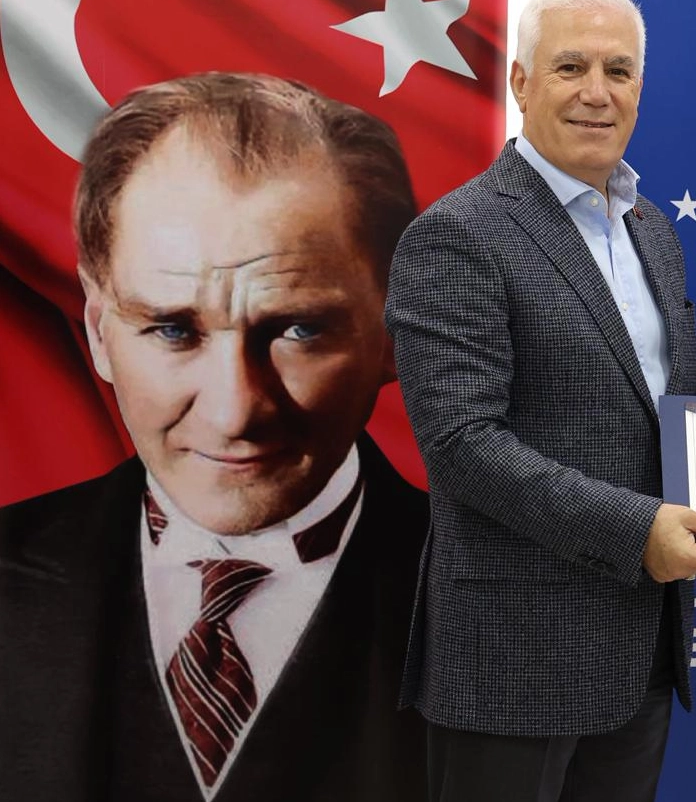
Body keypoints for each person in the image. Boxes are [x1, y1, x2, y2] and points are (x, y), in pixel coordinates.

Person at [385, 0, 696, 802]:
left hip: (638, 642)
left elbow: (642, 391)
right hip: (515, 654)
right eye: (570, 67)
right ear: (521, 82)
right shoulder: (458, 234)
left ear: (640, 86)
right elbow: (463, 444)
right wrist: (638, 529)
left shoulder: (650, 228)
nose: (597, 93)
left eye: (619, 70)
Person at [0, 72, 429, 802]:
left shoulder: (534, 616)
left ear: (396, 331)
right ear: (99, 332)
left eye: (298, 330)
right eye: (172, 330)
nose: (235, 413)